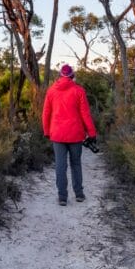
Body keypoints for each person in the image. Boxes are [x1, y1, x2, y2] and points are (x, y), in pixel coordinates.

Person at [41, 64, 97, 206]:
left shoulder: (51, 91)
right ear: (72, 75)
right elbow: (85, 114)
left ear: (60, 75)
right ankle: (79, 194)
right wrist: (91, 133)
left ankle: (62, 197)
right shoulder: (79, 91)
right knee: (76, 163)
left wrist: (47, 131)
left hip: (57, 134)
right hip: (75, 134)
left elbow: (46, 113)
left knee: (60, 165)